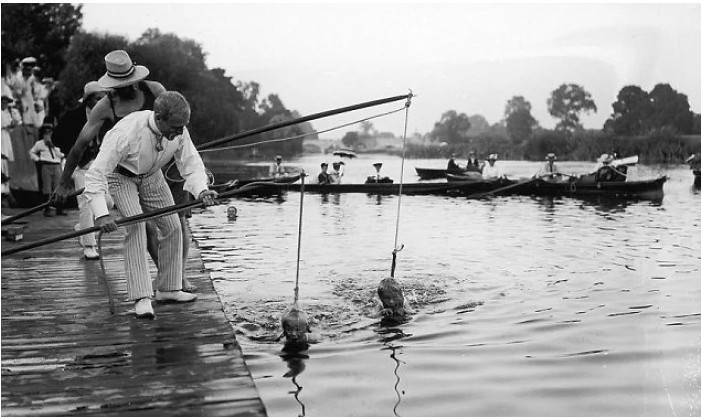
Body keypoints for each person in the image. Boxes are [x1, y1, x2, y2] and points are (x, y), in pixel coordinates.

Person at [85, 91, 219, 319]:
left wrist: (202, 190)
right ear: (159, 117)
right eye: (176, 127)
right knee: (137, 226)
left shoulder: (179, 130)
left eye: (182, 127)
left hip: (152, 175)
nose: (180, 132)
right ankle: (141, 297)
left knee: (173, 226)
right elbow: (95, 174)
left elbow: (191, 164)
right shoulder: (126, 132)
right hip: (121, 177)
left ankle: (168, 289)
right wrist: (101, 214)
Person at [53, 81, 109, 259]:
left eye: (103, 98)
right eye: (98, 98)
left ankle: (82, 227)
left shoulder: (108, 115)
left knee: (108, 203)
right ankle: (89, 245)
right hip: (79, 165)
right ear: (88, 100)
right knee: (86, 202)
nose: (102, 101)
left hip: (100, 164)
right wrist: (71, 152)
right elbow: (56, 138)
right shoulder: (73, 117)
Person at [29, 122, 65, 215]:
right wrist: (38, 159)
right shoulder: (39, 144)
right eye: (46, 132)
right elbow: (31, 152)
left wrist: (52, 146)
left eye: (50, 132)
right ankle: (47, 209)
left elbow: (62, 155)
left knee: (57, 187)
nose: (48, 134)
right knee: (47, 188)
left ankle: (59, 209)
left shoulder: (57, 142)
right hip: (46, 165)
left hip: (56, 165)